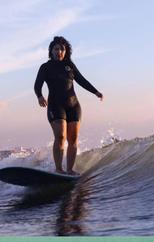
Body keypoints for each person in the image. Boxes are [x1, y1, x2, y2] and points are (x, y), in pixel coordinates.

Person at [34, 36, 104, 175]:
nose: (59, 51)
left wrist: (96, 91)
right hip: (55, 105)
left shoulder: (69, 66)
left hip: (73, 106)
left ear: (65, 51)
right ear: (51, 51)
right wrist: (40, 96)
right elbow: (37, 85)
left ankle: (70, 169)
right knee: (60, 137)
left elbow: (81, 80)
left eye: (62, 49)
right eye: (56, 49)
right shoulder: (45, 67)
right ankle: (59, 169)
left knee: (73, 139)